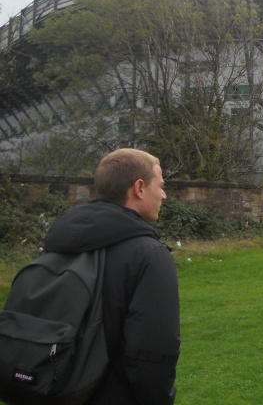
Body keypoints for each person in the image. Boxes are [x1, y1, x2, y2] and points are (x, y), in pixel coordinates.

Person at [43, 148, 180, 404]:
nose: (164, 194)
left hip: (53, 388)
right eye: (160, 186)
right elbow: (153, 354)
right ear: (139, 188)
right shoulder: (149, 255)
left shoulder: (59, 240)